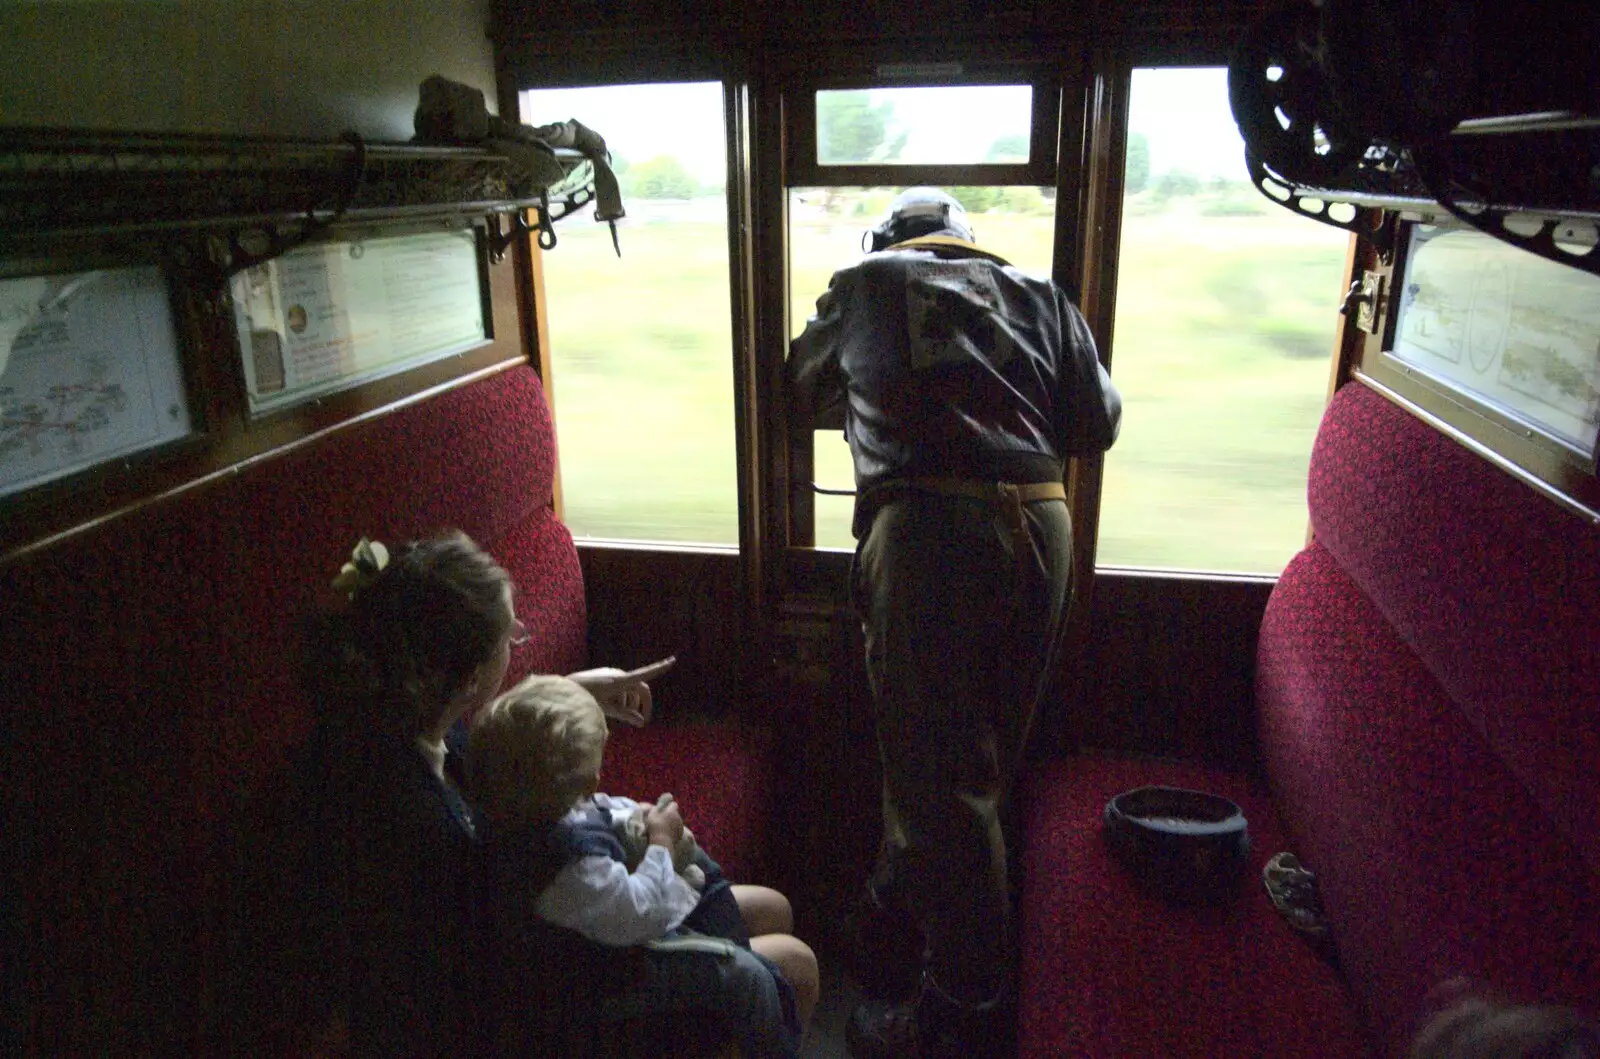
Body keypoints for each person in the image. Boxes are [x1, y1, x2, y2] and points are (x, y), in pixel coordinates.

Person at [229, 531, 800, 1058]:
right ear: (472, 675)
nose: (520, 640)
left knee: (773, 910)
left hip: (530, 941)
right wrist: (656, 860)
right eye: (511, 636)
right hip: (521, 1006)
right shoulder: (412, 821)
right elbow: (490, 966)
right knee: (790, 970)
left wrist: (570, 695)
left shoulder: (397, 723)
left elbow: (478, 751)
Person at [788, 188, 1122, 1058]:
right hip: (1044, 525)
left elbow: (799, 384)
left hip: (930, 527)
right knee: (981, 763)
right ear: (966, 240)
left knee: (942, 780)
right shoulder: (1043, 296)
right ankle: (898, 912)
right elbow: (1098, 422)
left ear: (889, 237)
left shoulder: (864, 282)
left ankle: (961, 1010)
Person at [466, 674, 819, 1049]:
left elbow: (595, 812)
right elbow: (641, 907)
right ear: (584, 783)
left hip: (604, 927)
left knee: (772, 907)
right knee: (769, 970)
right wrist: (662, 842)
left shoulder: (525, 805)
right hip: (604, 976)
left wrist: (635, 816)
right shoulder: (567, 869)